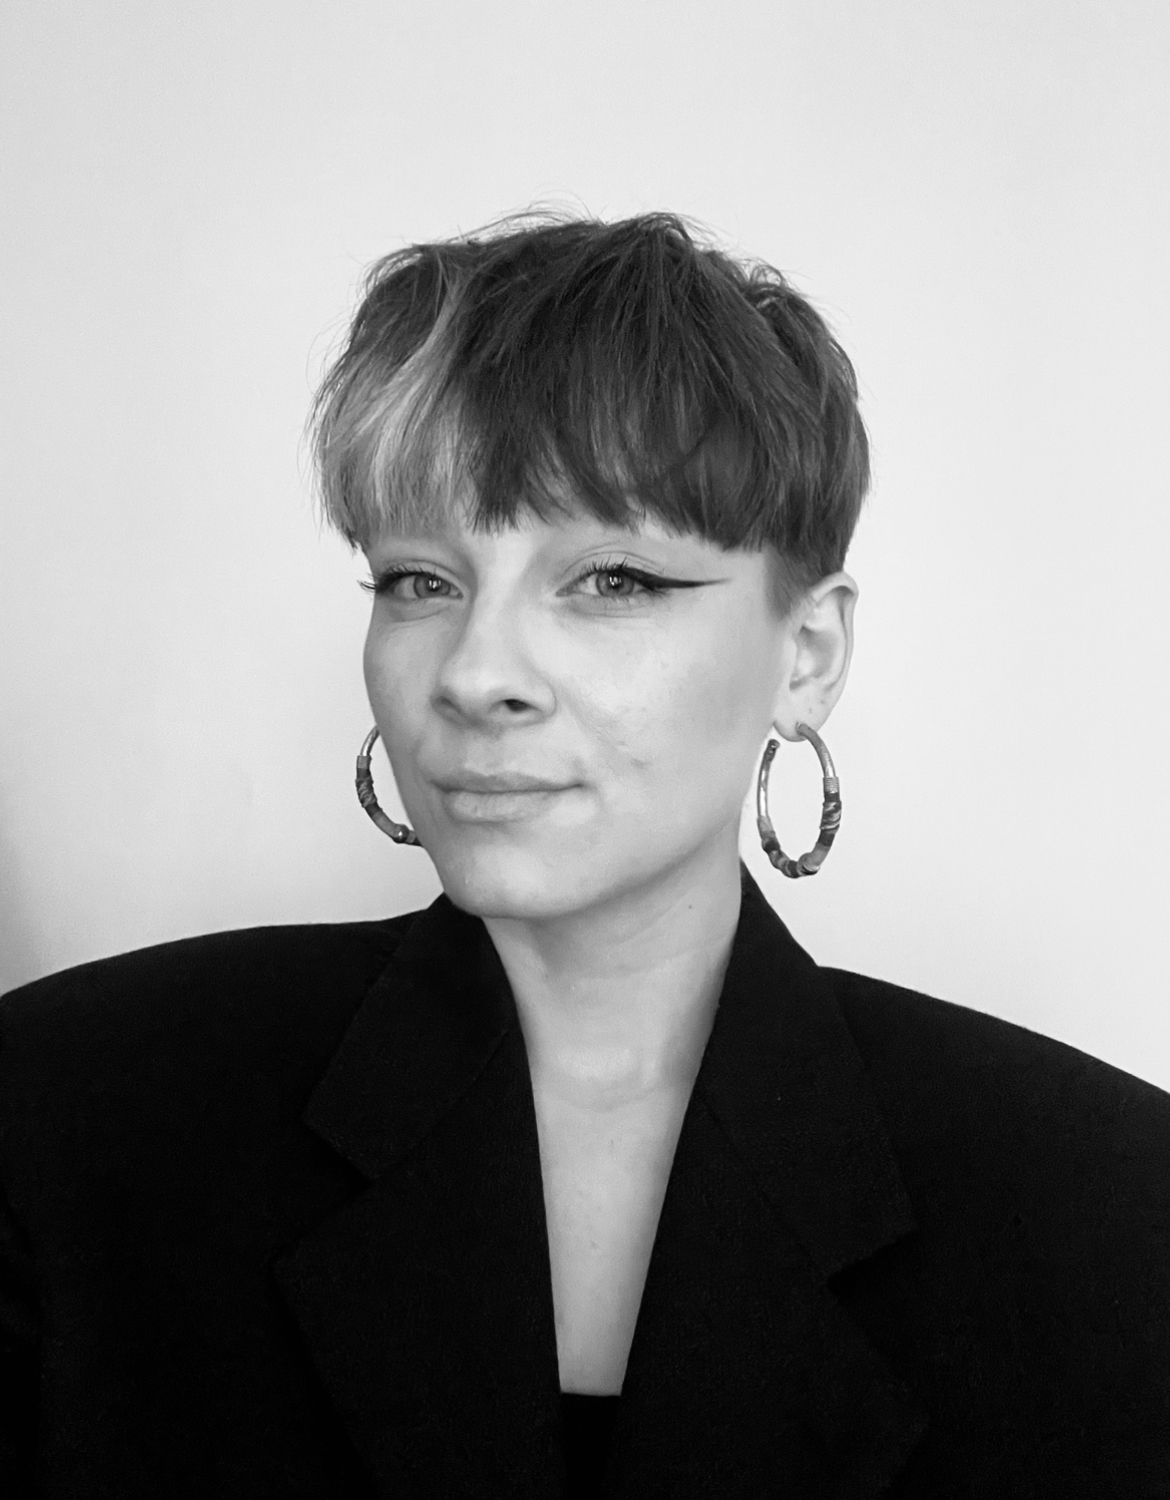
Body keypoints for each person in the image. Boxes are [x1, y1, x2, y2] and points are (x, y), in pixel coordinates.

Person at [1, 209, 1168, 1500]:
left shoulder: (1111, 1211)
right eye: (419, 580)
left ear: (808, 654)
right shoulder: (62, 1122)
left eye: (611, 578)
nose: (474, 674)